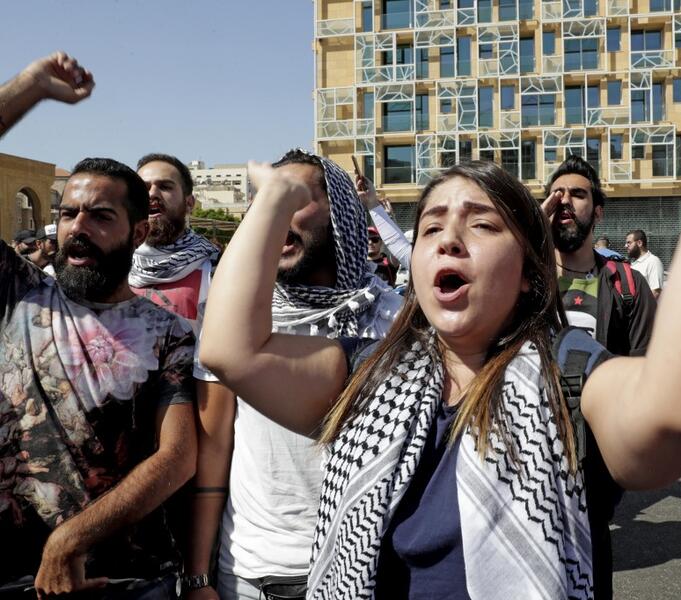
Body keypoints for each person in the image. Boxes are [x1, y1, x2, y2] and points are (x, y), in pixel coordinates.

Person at [201, 42, 681, 593]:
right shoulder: (365, 373)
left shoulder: (572, 372)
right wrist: (276, 197)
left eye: (482, 224)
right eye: (430, 227)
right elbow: (231, 349)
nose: (448, 238)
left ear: (528, 268)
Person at [0, 53, 196, 599]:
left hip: (126, 579)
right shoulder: (14, 291)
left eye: (100, 216)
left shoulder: (168, 333)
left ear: (137, 233)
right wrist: (28, 89)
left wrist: (70, 541)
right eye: (68, 214)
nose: (77, 228)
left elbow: (177, 457)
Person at [207, 149, 402, 600]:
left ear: (342, 213)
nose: (275, 213)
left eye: (293, 197)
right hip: (253, 574)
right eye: (265, 201)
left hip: (366, 567)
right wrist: (198, 575)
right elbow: (214, 447)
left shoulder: (396, 321)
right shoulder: (236, 322)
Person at [544, 155, 657, 598]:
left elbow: (649, 370)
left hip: (594, 467)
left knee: (591, 579)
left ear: (599, 210)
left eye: (578, 194)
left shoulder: (626, 284)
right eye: (557, 195)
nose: (565, 201)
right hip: (523, 459)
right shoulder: (517, 278)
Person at [130, 153, 235, 597]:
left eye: (165, 186)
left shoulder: (220, 271)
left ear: (190, 202)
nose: (152, 194)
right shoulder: (110, 270)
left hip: (199, 455)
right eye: (143, 188)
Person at [625, 229, 664, 297]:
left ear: (639, 243)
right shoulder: (633, 263)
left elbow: (655, 292)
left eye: (629, 243)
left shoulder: (653, 261)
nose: (625, 246)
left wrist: (641, 307)